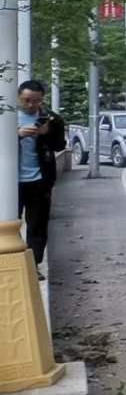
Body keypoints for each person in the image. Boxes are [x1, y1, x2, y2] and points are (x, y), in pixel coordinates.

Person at [16, 79, 66, 267]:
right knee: (9, 224)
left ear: (42, 100)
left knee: (37, 225)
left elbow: (60, 146)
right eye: (26, 100)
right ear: (19, 97)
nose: (31, 105)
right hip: (9, 182)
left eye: (36, 101)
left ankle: (32, 265)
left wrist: (47, 133)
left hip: (40, 179)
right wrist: (17, 134)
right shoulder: (7, 117)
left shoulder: (52, 119)